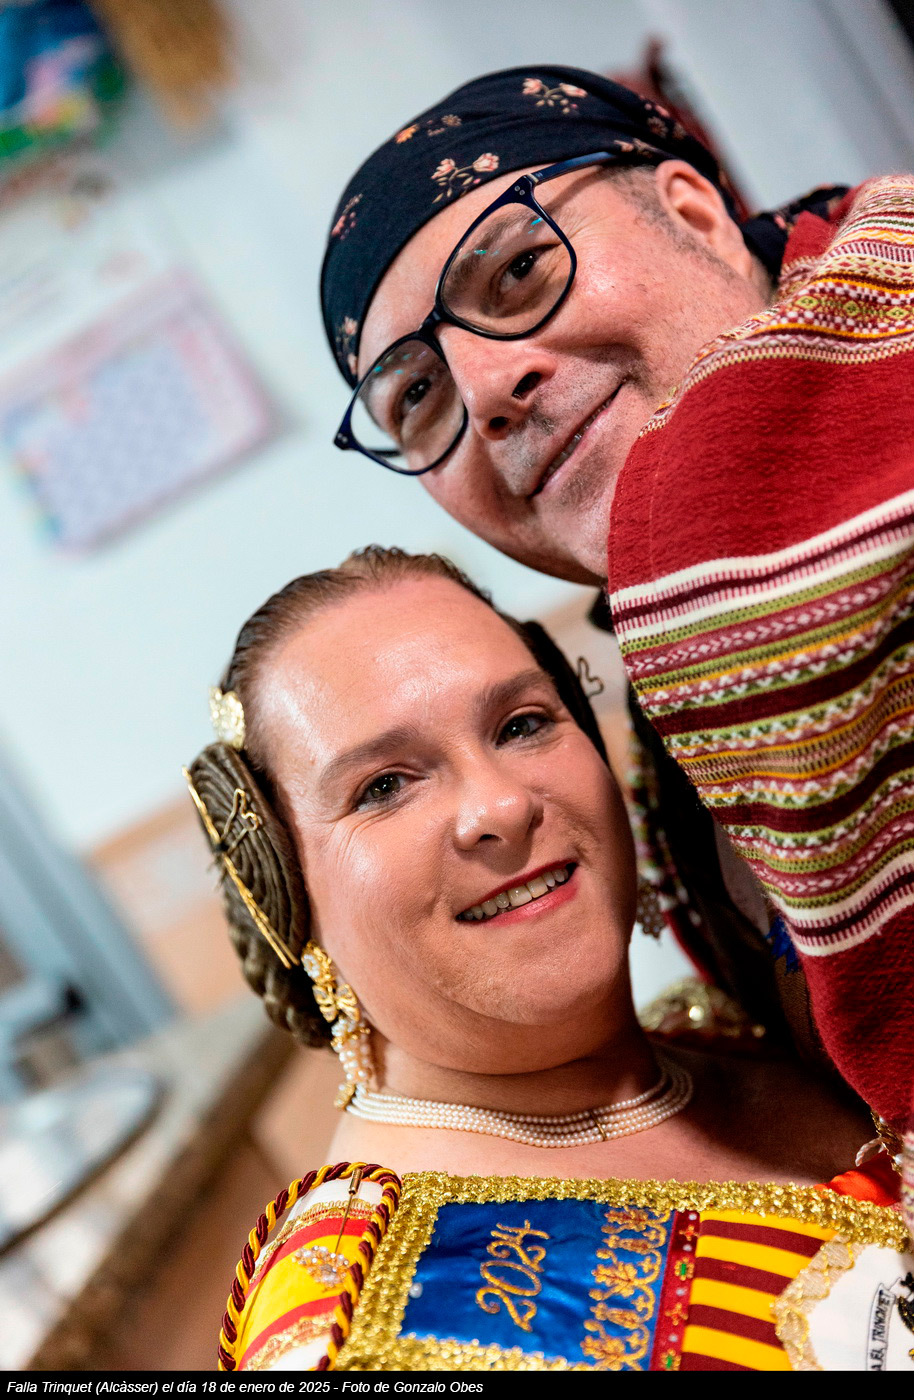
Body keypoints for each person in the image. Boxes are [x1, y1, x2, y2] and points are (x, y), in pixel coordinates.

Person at [319, 65, 914, 1147]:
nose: (485, 391)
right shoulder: (665, 674)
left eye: (518, 272)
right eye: (417, 397)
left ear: (695, 214)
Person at [185, 547, 907, 1373]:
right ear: (282, 897)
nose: (499, 805)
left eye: (521, 724)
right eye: (383, 786)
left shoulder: (744, 1029)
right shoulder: (366, 1329)